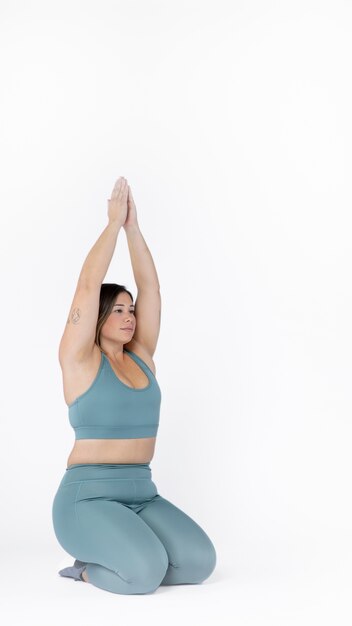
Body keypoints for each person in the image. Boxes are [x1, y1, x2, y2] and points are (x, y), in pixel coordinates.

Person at [52, 176, 216, 595]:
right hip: (86, 500)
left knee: (199, 562)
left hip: (142, 492)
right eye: (119, 309)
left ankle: (129, 549)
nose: (130, 316)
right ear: (98, 317)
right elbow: (87, 287)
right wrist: (111, 225)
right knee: (144, 574)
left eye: (131, 310)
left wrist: (133, 229)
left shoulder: (142, 356)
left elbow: (153, 289)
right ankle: (86, 569)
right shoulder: (80, 360)